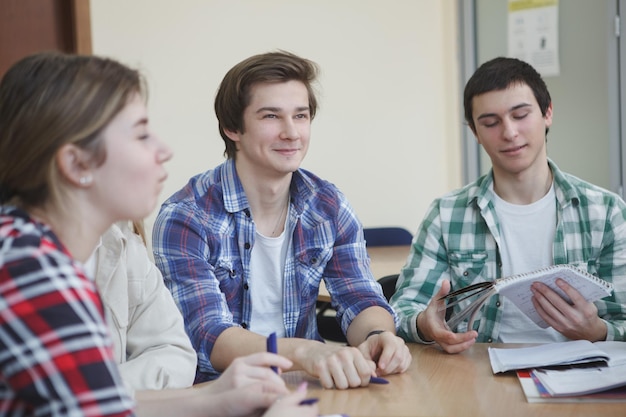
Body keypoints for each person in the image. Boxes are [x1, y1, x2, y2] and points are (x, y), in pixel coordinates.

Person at [0, 51, 317, 417]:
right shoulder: (31, 269)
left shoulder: (32, 247)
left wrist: (213, 398)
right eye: (140, 135)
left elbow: (100, 402)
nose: (164, 151)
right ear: (76, 163)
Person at [152, 50, 412, 389]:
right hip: (217, 393)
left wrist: (379, 335)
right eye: (271, 116)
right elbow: (207, 333)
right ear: (233, 127)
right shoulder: (186, 216)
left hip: (308, 386)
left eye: (300, 116)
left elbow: (360, 297)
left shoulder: (328, 205)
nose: (292, 133)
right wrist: (305, 352)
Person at [390, 56, 626, 354]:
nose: (509, 133)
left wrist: (597, 331)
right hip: (477, 376)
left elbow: (623, 318)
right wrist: (425, 324)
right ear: (475, 132)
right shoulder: (446, 214)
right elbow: (402, 310)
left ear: (547, 113)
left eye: (520, 115)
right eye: (490, 122)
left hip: (580, 376)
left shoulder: (606, 212)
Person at [85, 220, 197, 390]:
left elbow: (177, 356)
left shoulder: (126, 245)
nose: (157, 191)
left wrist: (104, 392)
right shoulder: (38, 258)